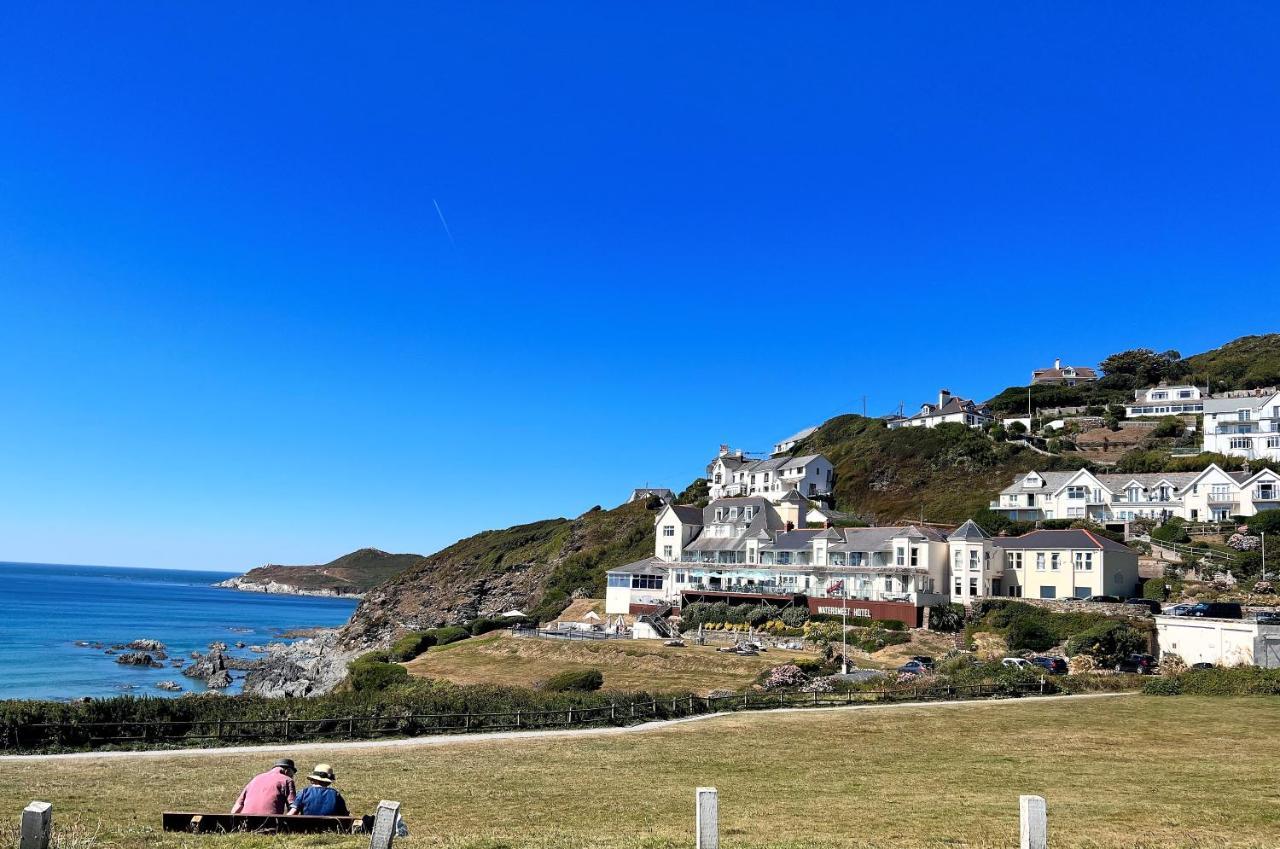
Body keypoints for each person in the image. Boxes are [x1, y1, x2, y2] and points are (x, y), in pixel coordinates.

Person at [231, 758, 297, 815]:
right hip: (270, 822)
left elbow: (239, 805)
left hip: (245, 821)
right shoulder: (287, 780)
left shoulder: (256, 778)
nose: (292, 777)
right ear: (287, 770)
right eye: (292, 774)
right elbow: (292, 807)